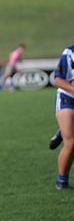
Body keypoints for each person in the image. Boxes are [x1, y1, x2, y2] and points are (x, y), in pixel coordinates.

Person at [53, 44, 74, 190]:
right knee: (71, 142)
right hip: (68, 98)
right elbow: (58, 79)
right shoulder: (70, 53)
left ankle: (65, 128)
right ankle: (62, 181)